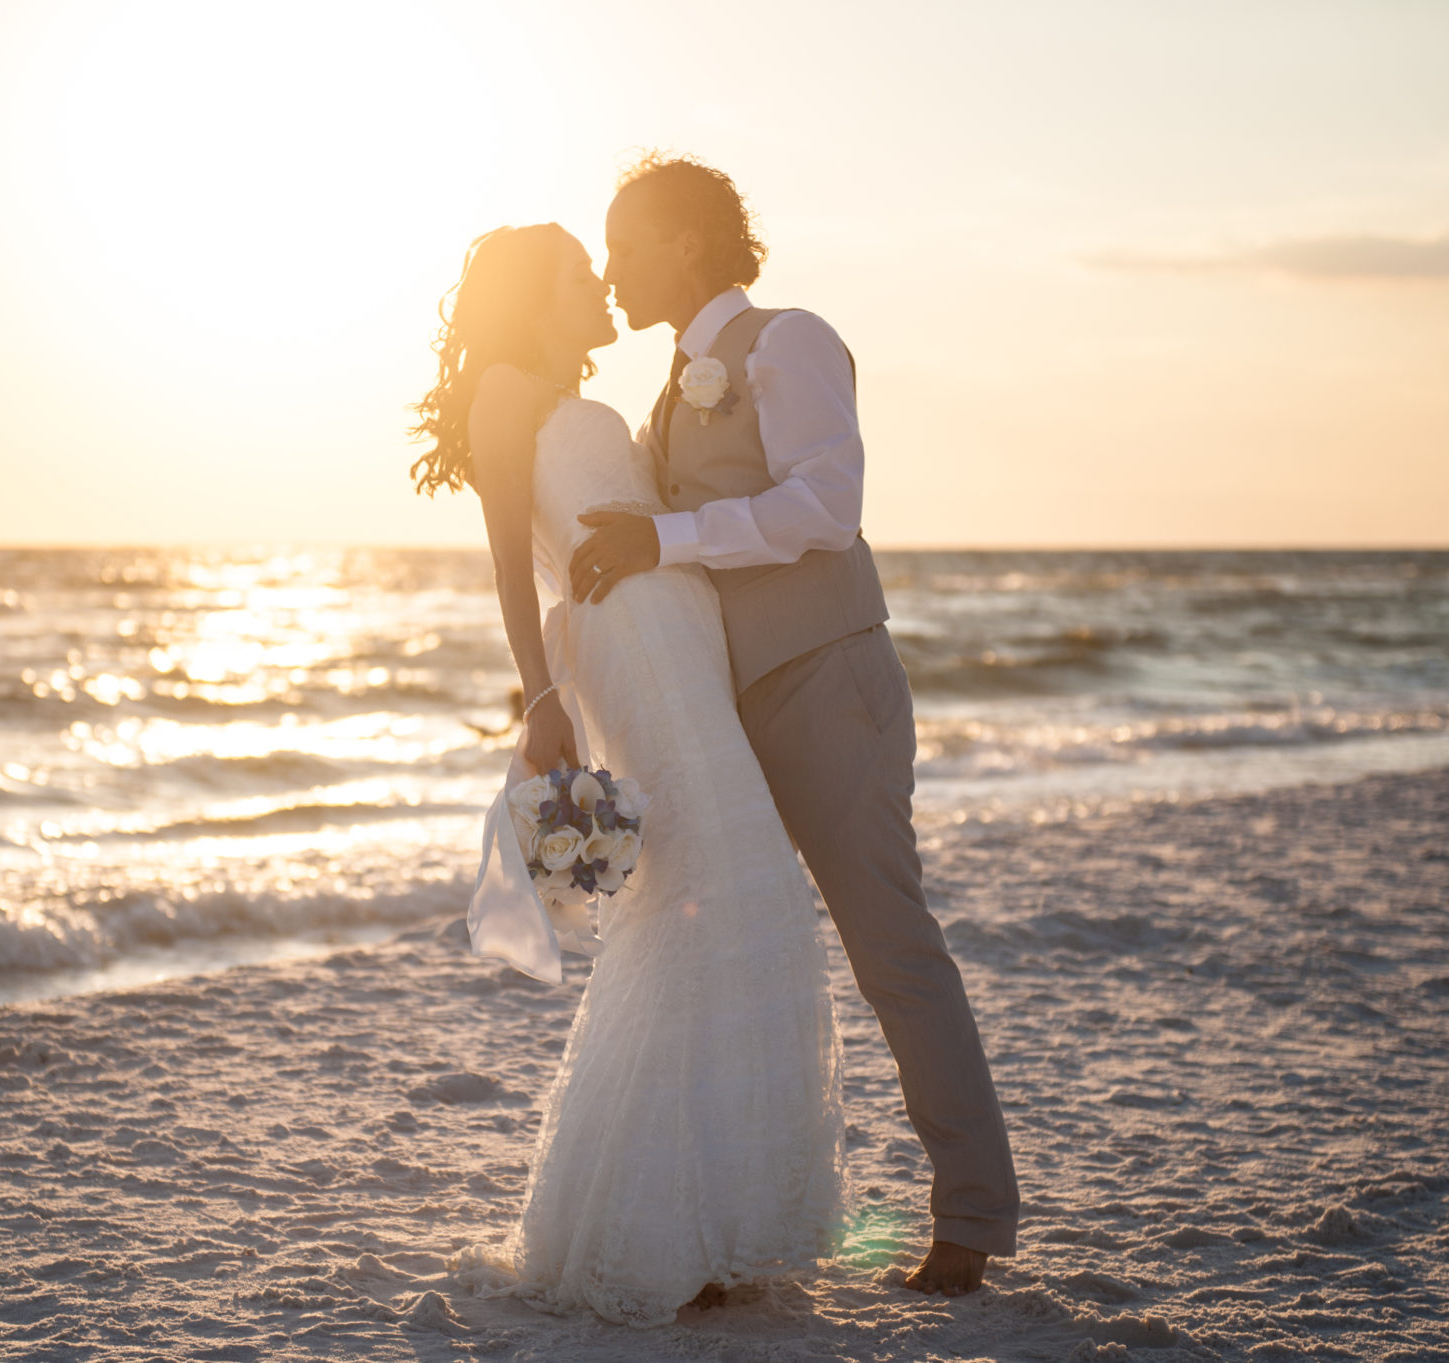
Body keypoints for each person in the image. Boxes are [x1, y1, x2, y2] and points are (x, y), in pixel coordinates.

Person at [570, 153, 1020, 1295]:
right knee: (726, 953)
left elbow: (827, 507)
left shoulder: (787, 340)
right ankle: (713, 1228)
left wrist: (660, 542)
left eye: (624, 244)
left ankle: (970, 1219)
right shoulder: (668, 391)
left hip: (825, 682)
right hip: (732, 711)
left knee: (888, 948)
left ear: (684, 242)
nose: (611, 268)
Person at [411, 222, 849, 1327]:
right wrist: (540, 698)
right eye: (576, 273)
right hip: (628, 648)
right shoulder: (506, 393)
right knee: (721, 874)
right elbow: (509, 562)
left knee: (716, 893)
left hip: (680, 635)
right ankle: (649, 1226)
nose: (600, 283)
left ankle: (712, 1217)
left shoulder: (594, 394)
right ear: (528, 298)